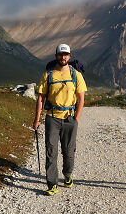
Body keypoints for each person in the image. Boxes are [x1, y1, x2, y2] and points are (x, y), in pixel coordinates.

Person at [33, 43, 87, 196]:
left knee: (69, 152)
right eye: (60, 54)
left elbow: (81, 99)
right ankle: (52, 184)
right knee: (51, 152)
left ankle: (67, 175)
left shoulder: (76, 75)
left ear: (70, 56)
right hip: (52, 118)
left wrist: (76, 119)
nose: (63, 57)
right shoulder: (48, 75)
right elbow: (41, 99)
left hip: (70, 118)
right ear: (56, 56)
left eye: (66, 55)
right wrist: (37, 119)